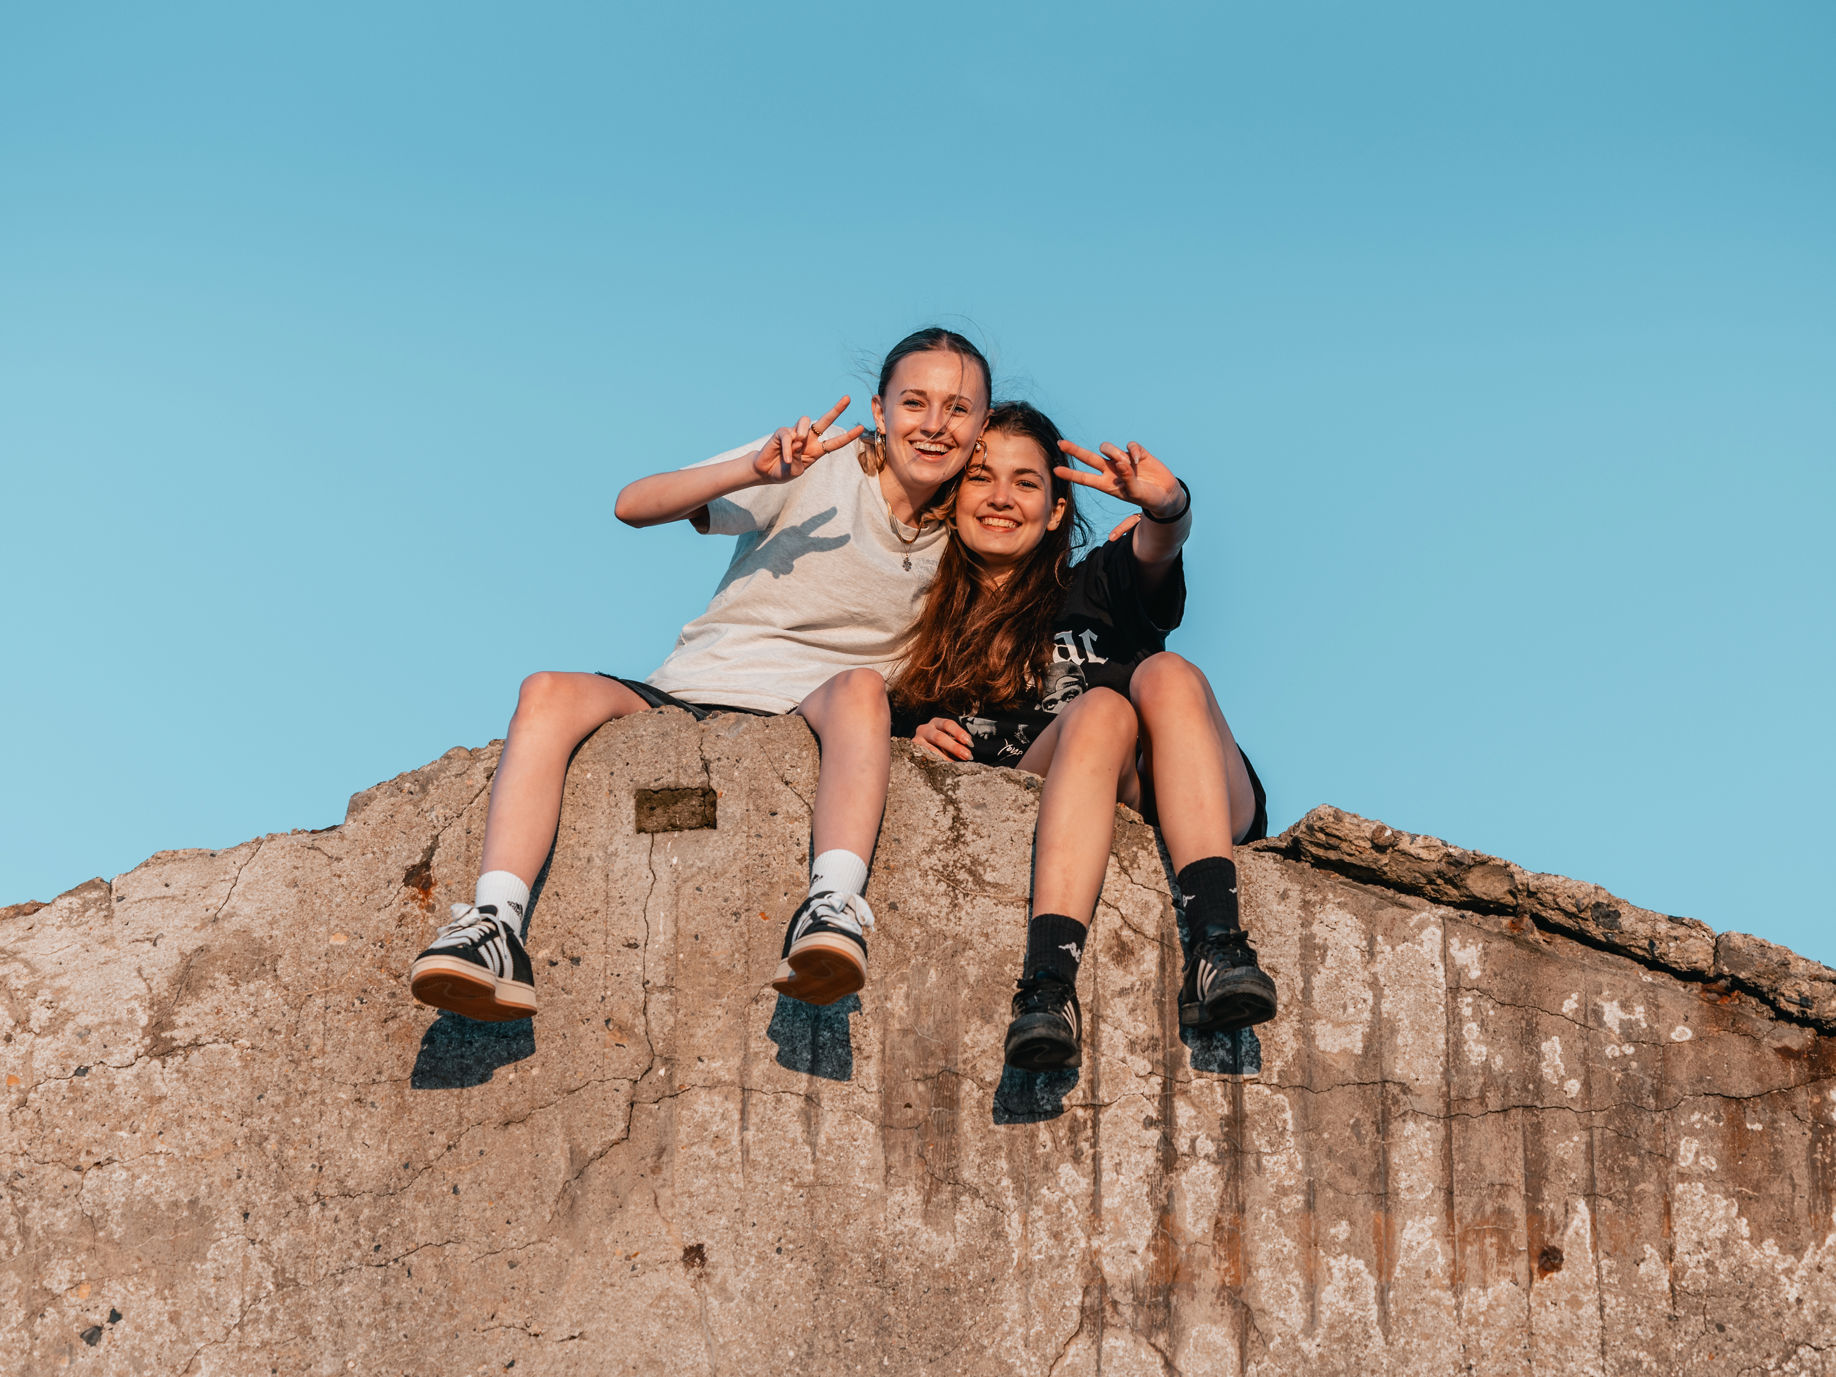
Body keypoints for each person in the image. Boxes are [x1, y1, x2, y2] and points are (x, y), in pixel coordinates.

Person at [408, 328, 992, 1021]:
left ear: (982, 427)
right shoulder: (818, 463)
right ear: (879, 409)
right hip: (687, 686)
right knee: (546, 690)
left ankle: (832, 906)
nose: (934, 424)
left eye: (958, 408)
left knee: (865, 687)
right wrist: (753, 470)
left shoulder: (972, 534)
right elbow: (633, 504)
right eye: (914, 402)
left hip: (808, 707)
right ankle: (495, 926)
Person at [894, 401, 1276, 1072]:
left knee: (1166, 673)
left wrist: (1168, 508)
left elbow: (1157, 546)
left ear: (1057, 510)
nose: (1002, 497)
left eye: (1027, 482)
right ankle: (1048, 987)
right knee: (1100, 711)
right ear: (952, 500)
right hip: (1067, 788)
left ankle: (1218, 944)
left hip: (1192, 785)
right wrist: (912, 742)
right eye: (981, 477)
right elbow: (879, 730)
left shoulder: (1098, 583)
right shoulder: (920, 630)